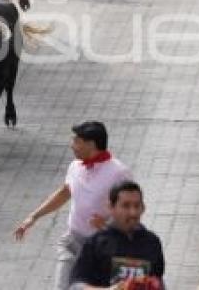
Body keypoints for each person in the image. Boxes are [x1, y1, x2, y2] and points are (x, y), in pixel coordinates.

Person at [13, 121, 132, 290]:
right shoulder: (75, 166)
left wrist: (107, 226)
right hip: (72, 242)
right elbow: (65, 192)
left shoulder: (119, 173)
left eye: (77, 141)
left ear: (91, 144)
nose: (72, 145)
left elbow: (130, 212)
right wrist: (33, 217)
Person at [70, 181, 165, 289]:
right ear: (111, 207)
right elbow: (76, 285)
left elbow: (158, 280)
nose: (133, 212)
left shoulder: (152, 242)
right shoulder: (95, 243)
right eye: (126, 206)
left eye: (137, 206)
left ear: (143, 208)